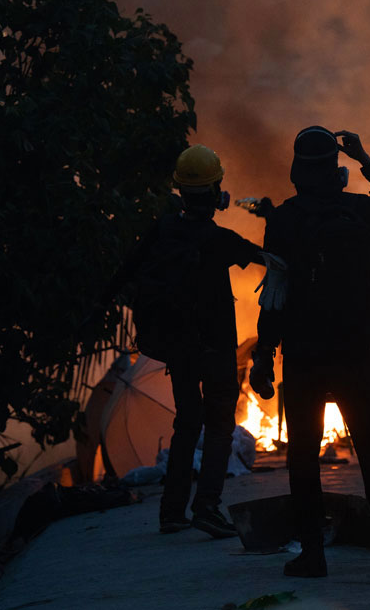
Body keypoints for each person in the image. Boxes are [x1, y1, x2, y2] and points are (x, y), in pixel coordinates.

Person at [249, 126, 370, 577]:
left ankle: (312, 554)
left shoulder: (282, 222)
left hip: (305, 355)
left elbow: (274, 296)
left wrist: (263, 356)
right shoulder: (360, 211)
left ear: (297, 172)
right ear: (335, 169)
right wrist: (364, 154)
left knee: (302, 453)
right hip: (356, 351)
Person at [97, 144, 284, 537]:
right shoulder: (221, 240)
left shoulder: (164, 228)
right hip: (215, 348)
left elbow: (127, 269)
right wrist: (271, 216)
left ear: (180, 191)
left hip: (177, 348)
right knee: (218, 428)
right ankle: (207, 508)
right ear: (216, 191)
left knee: (187, 425)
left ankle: (171, 513)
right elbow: (272, 260)